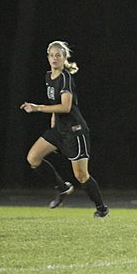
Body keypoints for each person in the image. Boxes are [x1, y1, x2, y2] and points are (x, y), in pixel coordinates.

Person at [20, 40, 109, 218]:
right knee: (33, 158)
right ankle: (62, 188)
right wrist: (53, 121)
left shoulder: (65, 77)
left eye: (58, 55)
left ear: (64, 58)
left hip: (75, 131)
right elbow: (56, 105)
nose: (54, 58)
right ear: (47, 57)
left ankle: (102, 209)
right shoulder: (48, 77)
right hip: (59, 130)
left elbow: (66, 107)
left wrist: (38, 108)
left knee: (81, 176)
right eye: (51, 55)